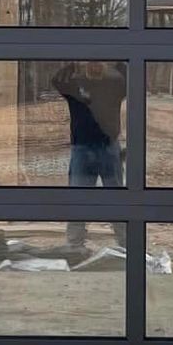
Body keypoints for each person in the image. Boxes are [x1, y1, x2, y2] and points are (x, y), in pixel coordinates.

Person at [52, 60, 127, 253]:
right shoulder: (75, 84)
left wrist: (120, 59)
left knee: (117, 199)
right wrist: (73, 62)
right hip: (82, 149)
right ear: (84, 64)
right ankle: (75, 246)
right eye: (91, 61)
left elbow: (133, 78)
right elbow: (56, 80)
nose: (95, 65)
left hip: (108, 148)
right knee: (78, 199)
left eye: (99, 62)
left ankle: (127, 244)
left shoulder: (115, 83)